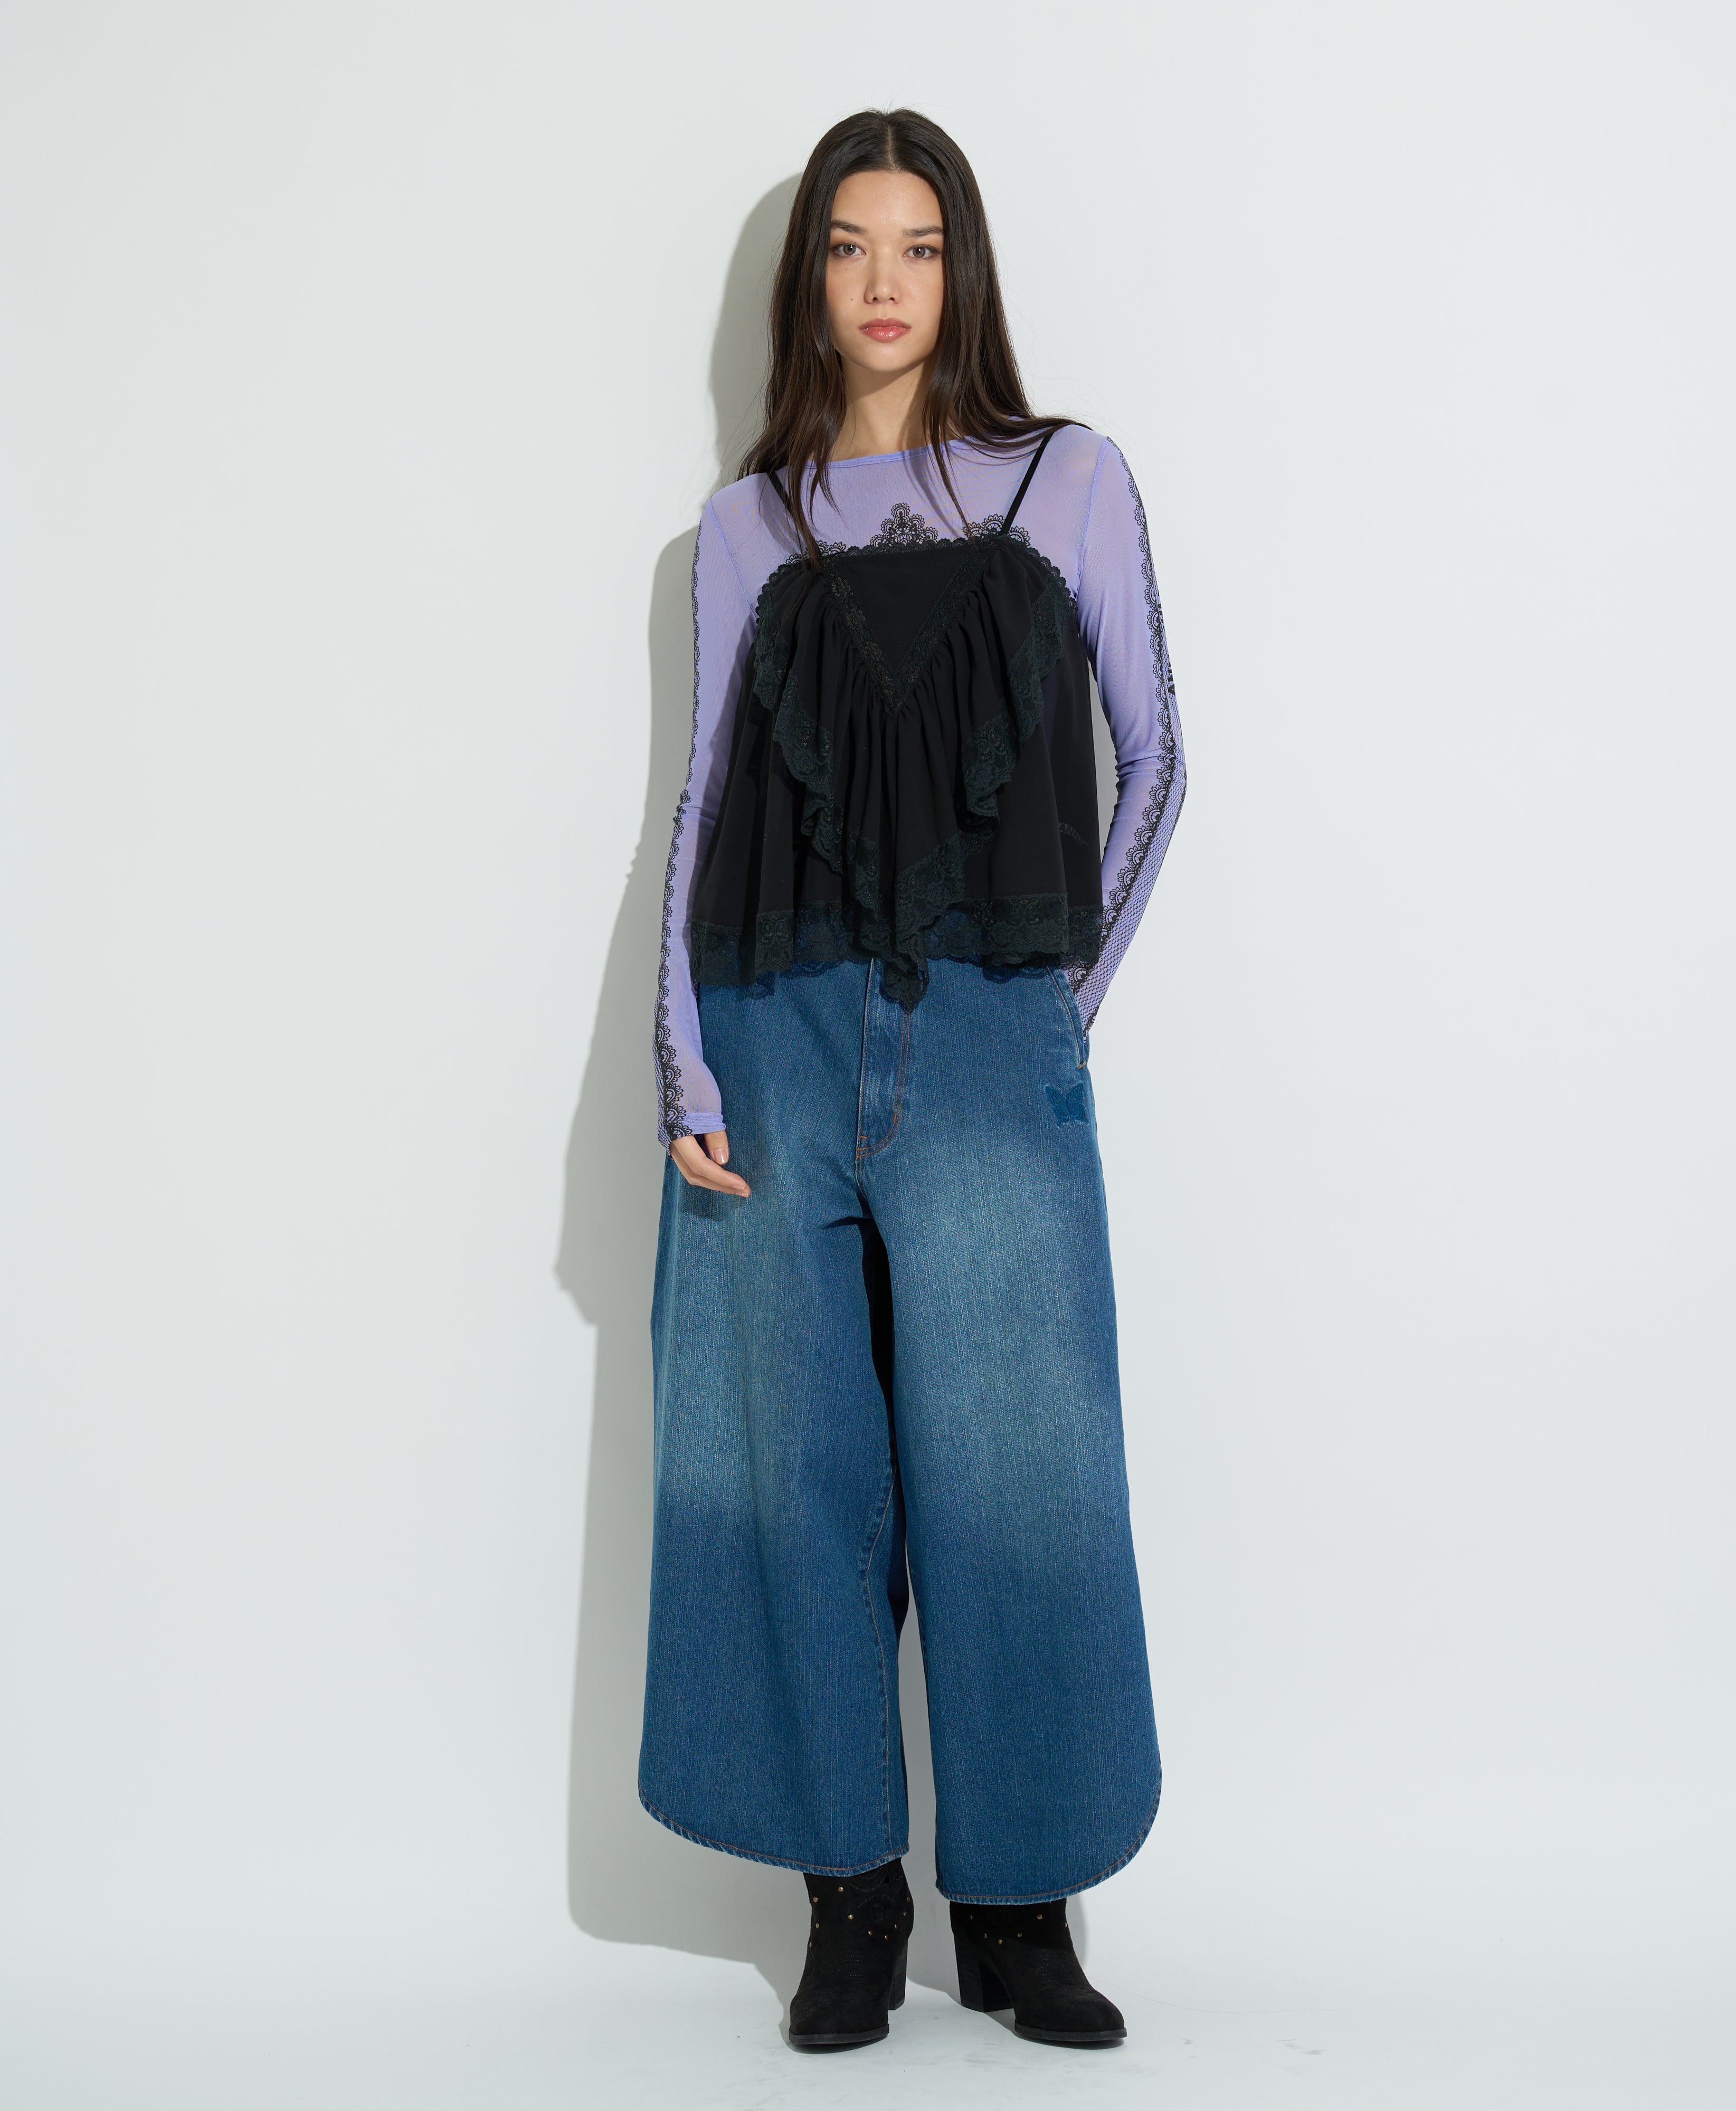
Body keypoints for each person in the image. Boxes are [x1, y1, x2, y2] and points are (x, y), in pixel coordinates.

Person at [641, 106, 1187, 2051]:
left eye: (922, 246)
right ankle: (849, 1900)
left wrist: (1055, 1009)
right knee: (790, 1473)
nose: (886, 285)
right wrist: (682, 1061)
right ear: (813, 280)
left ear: (966, 271)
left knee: (1018, 1465)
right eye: (851, 247)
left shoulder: (1067, 478)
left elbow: (1162, 759)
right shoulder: (749, 526)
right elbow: (703, 799)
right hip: (769, 1041)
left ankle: (1021, 1909)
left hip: (988, 1037)